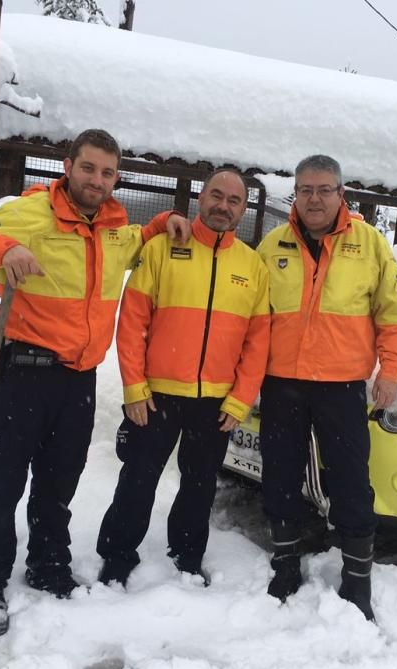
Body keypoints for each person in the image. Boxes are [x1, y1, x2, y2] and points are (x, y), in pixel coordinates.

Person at [0, 128, 186, 636]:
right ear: (68, 166)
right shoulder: (30, 213)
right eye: (89, 168)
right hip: (22, 373)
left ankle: (48, 564)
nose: (97, 180)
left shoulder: (117, 228)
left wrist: (164, 221)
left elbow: (139, 243)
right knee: (4, 480)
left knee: (59, 481)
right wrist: (2, 248)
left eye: (108, 172)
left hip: (78, 380)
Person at [255, 154, 397, 621]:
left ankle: (357, 579)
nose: (315, 199)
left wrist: (391, 370)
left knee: (350, 481)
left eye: (325, 190)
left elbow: (394, 312)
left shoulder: (368, 245)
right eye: (306, 190)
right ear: (295, 196)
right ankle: (285, 564)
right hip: (282, 383)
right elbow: (249, 314)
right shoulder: (272, 245)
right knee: (279, 474)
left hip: (341, 387)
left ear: (341, 194)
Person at [96, 168, 270, 588]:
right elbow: (132, 324)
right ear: (200, 197)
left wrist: (240, 399)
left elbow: (257, 341)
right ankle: (117, 556)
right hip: (156, 396)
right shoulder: (161, 249)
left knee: (199, 486)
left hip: (216, 402)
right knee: (137, 481)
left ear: (243, 210)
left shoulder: (252, 266)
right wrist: (135, 388)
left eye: (234, 201)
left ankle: (187, 557)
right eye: (216, 195)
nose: (223, 206)